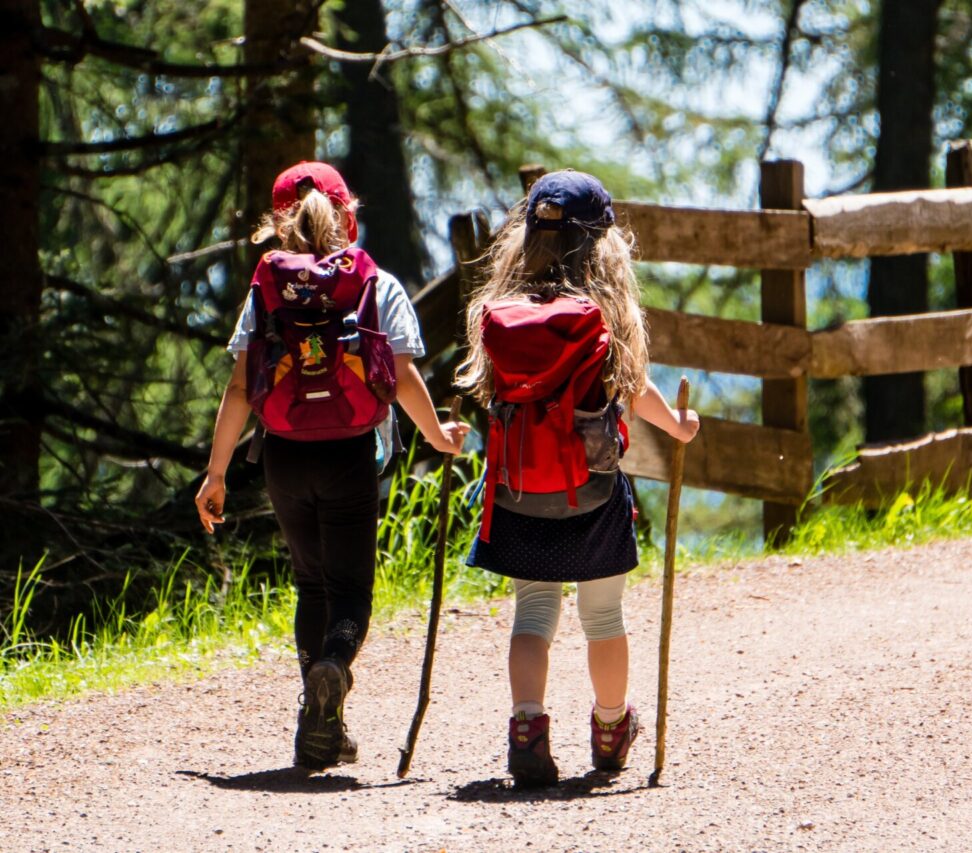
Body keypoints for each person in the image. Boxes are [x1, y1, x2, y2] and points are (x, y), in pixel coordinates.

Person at [194, 161, 469, 771]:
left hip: (284, 455)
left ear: (276, 222)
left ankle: (319, 724)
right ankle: (333, 669)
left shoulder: (265, 291)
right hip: (351, 453)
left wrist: (215, 475)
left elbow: (241, 387)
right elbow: (399, 377)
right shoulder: (375, 283)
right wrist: (440, 437)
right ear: (348, 215)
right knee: (351, 593)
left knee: (310, 584)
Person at [455, 170, 699, 787]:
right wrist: (677, 426)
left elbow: (486, 395)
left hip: (516, 494)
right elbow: (632, 388)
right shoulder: (603, 314)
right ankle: (613, 727)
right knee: (603, 616)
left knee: (533, 613)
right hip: (589, 494)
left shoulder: (496, 312)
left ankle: (526, 726)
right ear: (603, 243)